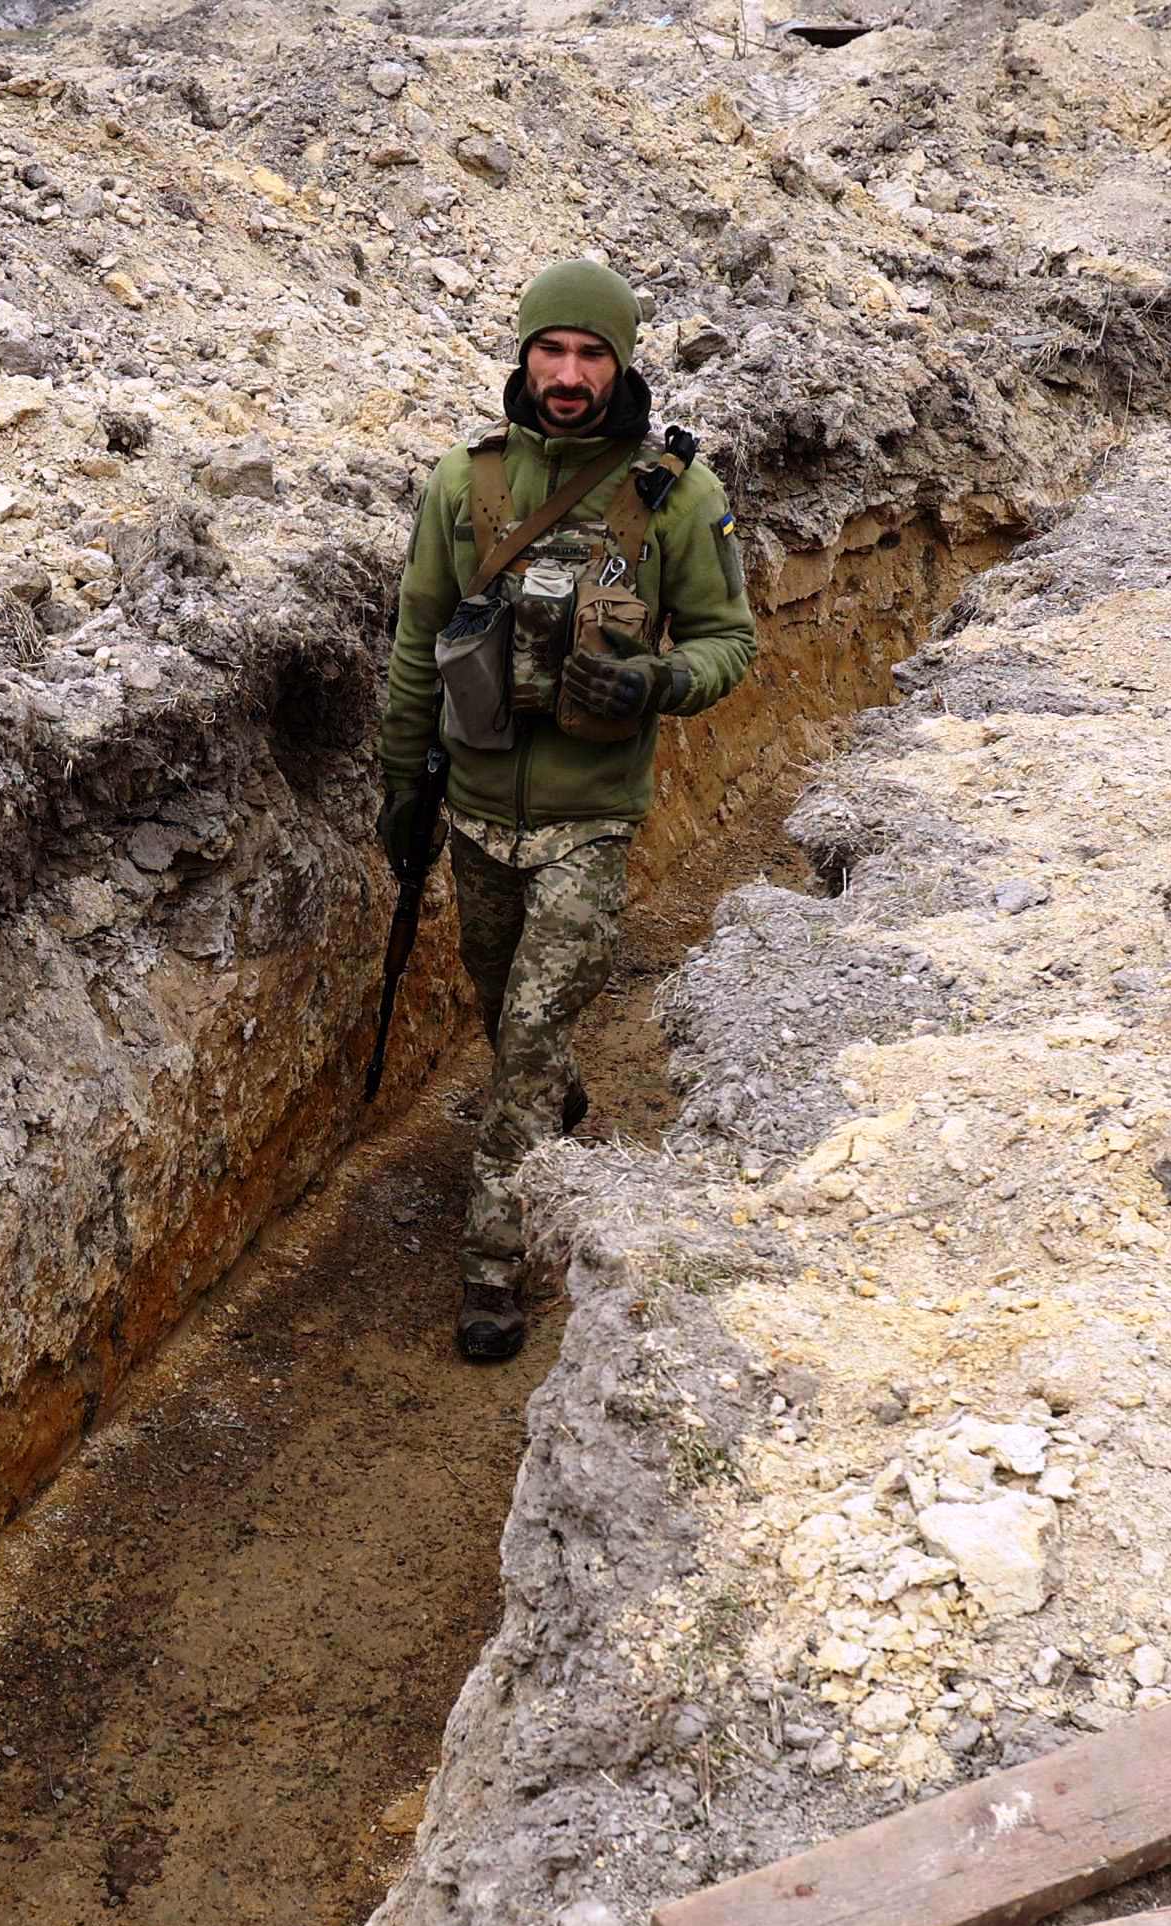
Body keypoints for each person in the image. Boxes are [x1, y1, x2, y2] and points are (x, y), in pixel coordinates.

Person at [373, 257, 758, 1363]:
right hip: (478, 810)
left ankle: (495, 1264)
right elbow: (415, 641)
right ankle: (551, 1097)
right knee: (506, 1016)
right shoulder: (466, 484)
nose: (572, 373)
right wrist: (402, 783)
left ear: (622, 361)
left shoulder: (675, 496)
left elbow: (730, 638)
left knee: (529, 1037)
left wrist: (655, 683)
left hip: (591, 818)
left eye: (593, 354)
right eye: (555, 349)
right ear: (526, 353)